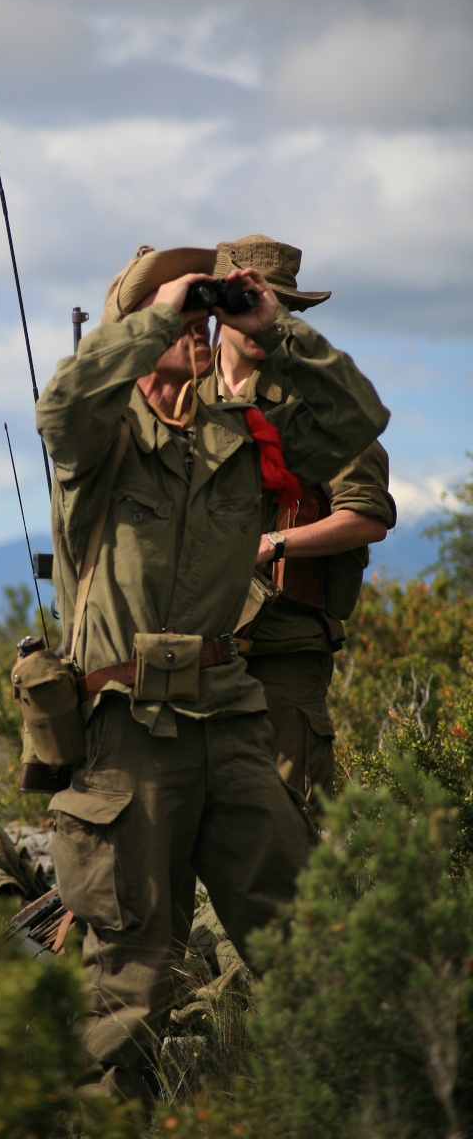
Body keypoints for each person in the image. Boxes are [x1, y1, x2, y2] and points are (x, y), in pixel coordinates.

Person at [35, 242, 390, 1108]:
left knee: (304, 933)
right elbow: (60, 406)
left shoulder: (243, 432)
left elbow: (358, 426)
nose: (199, 323)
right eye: (184, 310)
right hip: (126, 731)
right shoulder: (102, 441)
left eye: (205, 310)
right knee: (128, 978)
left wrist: (281, 330)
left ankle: (362, 1109)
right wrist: (161, 311)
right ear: (137, 326)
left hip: (230, 717)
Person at [204, 234, 397, 811]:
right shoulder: (183, 395)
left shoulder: (319, 403)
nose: (268, 319)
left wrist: (273, 543)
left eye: (284, 309)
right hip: (192, 652)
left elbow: (366, 516)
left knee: (289, 828)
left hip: (282, 654)